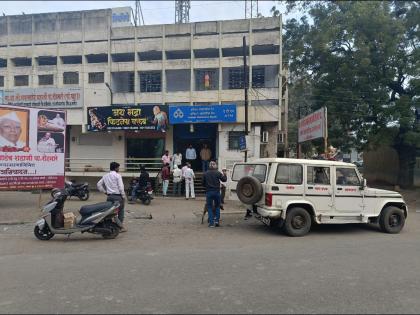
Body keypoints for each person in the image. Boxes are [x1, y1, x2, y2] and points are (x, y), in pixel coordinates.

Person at [97, 162, 127, 232]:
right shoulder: (117, 175)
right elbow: (121, 187)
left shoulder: (105, 176)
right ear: (116, 168)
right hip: (118, 197)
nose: (118, 169)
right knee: (120, 212)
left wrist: (105, 192)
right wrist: (123, 196)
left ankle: (109, 225)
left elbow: (98, 185)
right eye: (118, 168)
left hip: (109, 197)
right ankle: (120, 227)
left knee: (109, 212)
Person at [202, 161, 227, 227]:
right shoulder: (218, 173)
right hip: (216, 192)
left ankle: (211, 223)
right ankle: (216, 221)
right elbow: (224, 180)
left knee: (209, 207)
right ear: (215, 166)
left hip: (209, 192)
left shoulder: (205, 173)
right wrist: (224, 173)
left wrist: (207, 186)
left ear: (209, 166)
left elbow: (203, 183)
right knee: (217, 206)